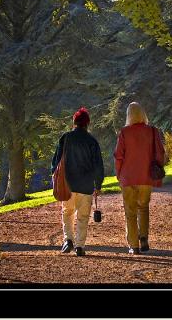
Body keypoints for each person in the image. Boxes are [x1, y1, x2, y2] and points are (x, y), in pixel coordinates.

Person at [51, 107, 104, 257]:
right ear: (87, 123)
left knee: (67, 212)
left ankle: (68, 239)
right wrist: (98, 185)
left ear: (74, 122)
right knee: (83, 217)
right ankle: (80, 246)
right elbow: (98, 165)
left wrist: (55, 177)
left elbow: (55, 161)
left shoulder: (66, 137)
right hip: (86, 185)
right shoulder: (92, 141)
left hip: (68, 184)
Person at [114, 102, 165, 255]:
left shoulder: (124, 132)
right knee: (143, 208)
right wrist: (158, 170)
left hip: (127, 178)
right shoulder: (152, 131)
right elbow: (160, 153)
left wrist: (118, 174)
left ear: (128, 115)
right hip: (146, 176)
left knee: (130, 212)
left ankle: (133, 246)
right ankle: (144, 238)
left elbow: (118, 156)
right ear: (143, 114)